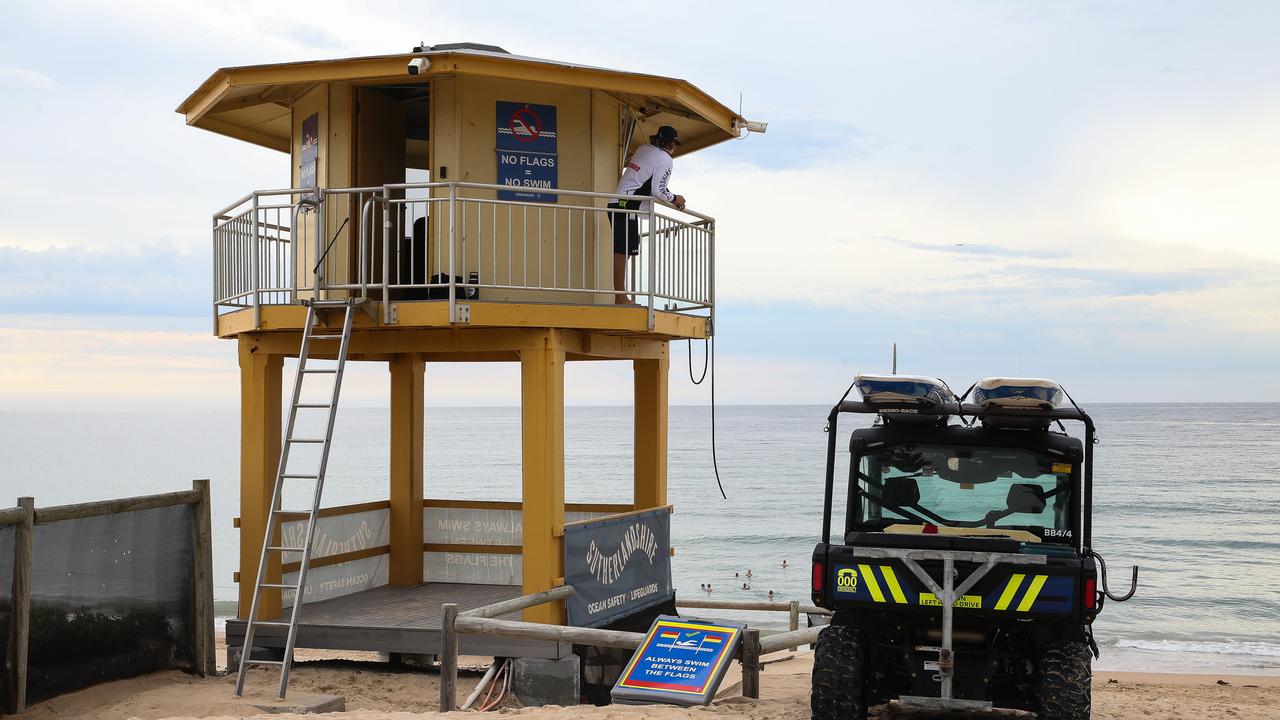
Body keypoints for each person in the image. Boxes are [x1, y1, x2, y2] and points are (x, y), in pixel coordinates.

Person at [609, 125, 686, 305]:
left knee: (625, 250)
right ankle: (620, 297)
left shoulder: (643, 149)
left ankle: (620, 296)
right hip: (627, 205)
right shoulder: (665, 159)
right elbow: (658, 190)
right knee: (622, 251)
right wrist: (676, 199)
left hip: (617, 202)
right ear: (672, 144)